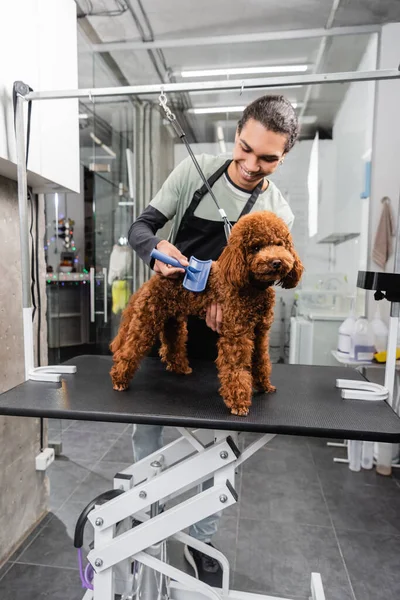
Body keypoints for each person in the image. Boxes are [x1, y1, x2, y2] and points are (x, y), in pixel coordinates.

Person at [127, 94, 299, 585]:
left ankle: (202, 541)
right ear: (236, 134)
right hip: (172, 332)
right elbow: (141, 226)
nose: (250, 165)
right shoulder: (192, 172)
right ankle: (145, 523)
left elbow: (270, 275)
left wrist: (233, 291)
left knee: (221, 451)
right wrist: (153, 249)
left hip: (229, 344)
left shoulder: (277, 209)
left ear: (284, 157)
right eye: (245, 149)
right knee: (147, 436)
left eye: (267, 158)